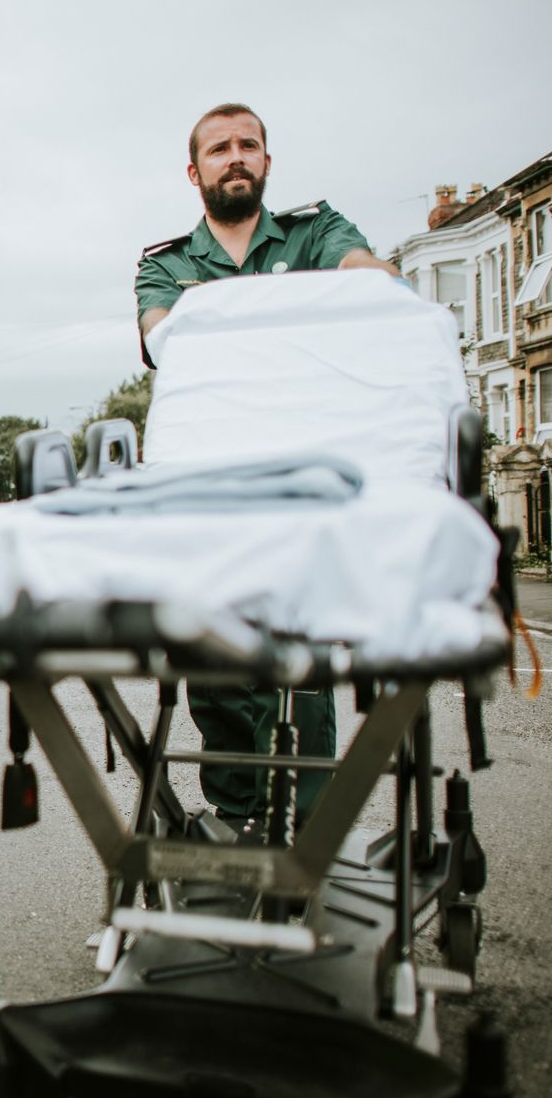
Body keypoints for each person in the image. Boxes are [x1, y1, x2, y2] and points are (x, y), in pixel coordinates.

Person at [133, 102, 400, 828]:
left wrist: (364, 289)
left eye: (248, 144)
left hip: (303, 478)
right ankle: (238, 814)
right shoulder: (166, 265)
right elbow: (167, 341)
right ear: (195, 172)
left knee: (298, 664)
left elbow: (372, 283)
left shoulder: (318, 231)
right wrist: (300, 317)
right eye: (218, 148)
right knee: (214, 663)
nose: (236, 156)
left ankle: (305, 828)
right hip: (207, 489)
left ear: (268, 161)